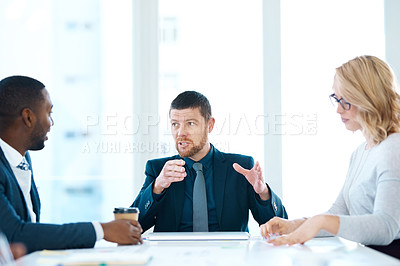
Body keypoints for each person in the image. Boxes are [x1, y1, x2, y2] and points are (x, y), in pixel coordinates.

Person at [260, 55, 400, 259]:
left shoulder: (393, 149)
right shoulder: (361, 152)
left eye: (345, 102)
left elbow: (386, 226)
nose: (338, 109)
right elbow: (341, 212)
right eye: (336, 99)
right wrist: (295, 225)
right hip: (370, 257)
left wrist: (321, 222)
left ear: (368, 99)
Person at [0, 76, 143, 254]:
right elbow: (14, 235)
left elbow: (31, 232)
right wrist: (102, 230)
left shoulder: (22, 158)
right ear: (28, 117)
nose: (51, 123)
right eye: (49, 113)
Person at [132, 91, 287, 233]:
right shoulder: (158, 170)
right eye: (175, 124)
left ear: (210, 125)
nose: (180, 133)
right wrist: (157, 187)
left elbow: (280, 227)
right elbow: (133, 227)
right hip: (174, 257)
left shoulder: (240, 168)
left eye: (190, 123)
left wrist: (263, 192)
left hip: (228, 257)